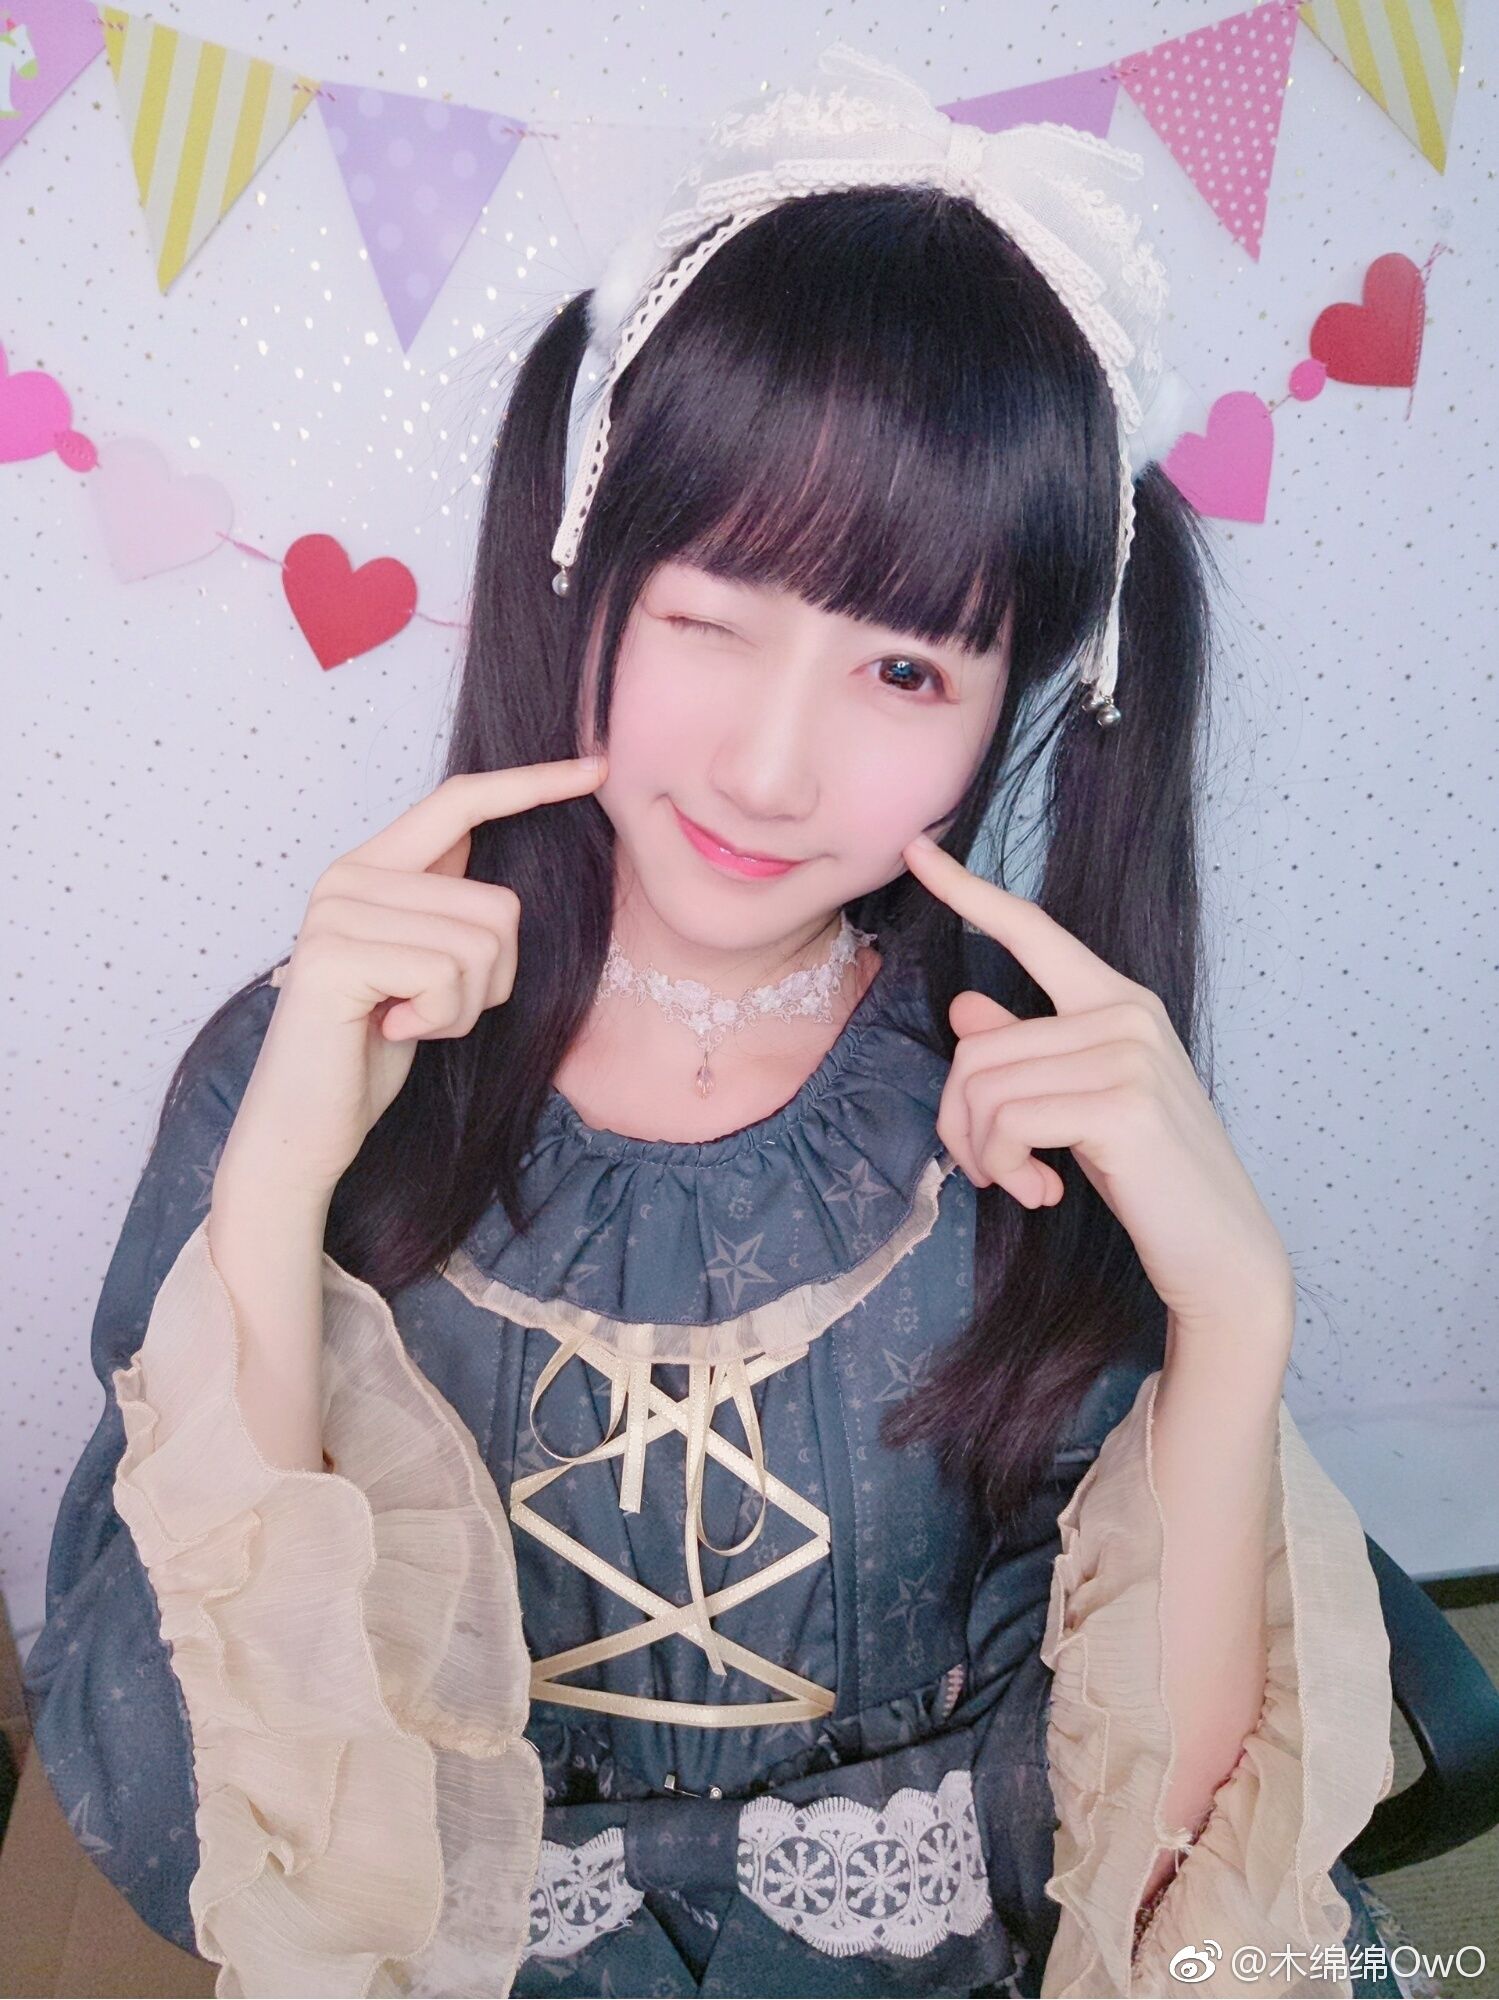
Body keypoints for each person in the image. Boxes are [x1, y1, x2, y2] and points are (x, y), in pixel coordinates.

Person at [23, 39, 1426, 2000]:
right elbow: (220, 1813)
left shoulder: (1028, 1109)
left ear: (1012, 699)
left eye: (905, 670)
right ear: (586, 570)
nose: (772, 769)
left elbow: (1163, 1897)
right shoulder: (317, 1050)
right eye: (711, 614)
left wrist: (1233, 1319)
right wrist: (272, 1196)